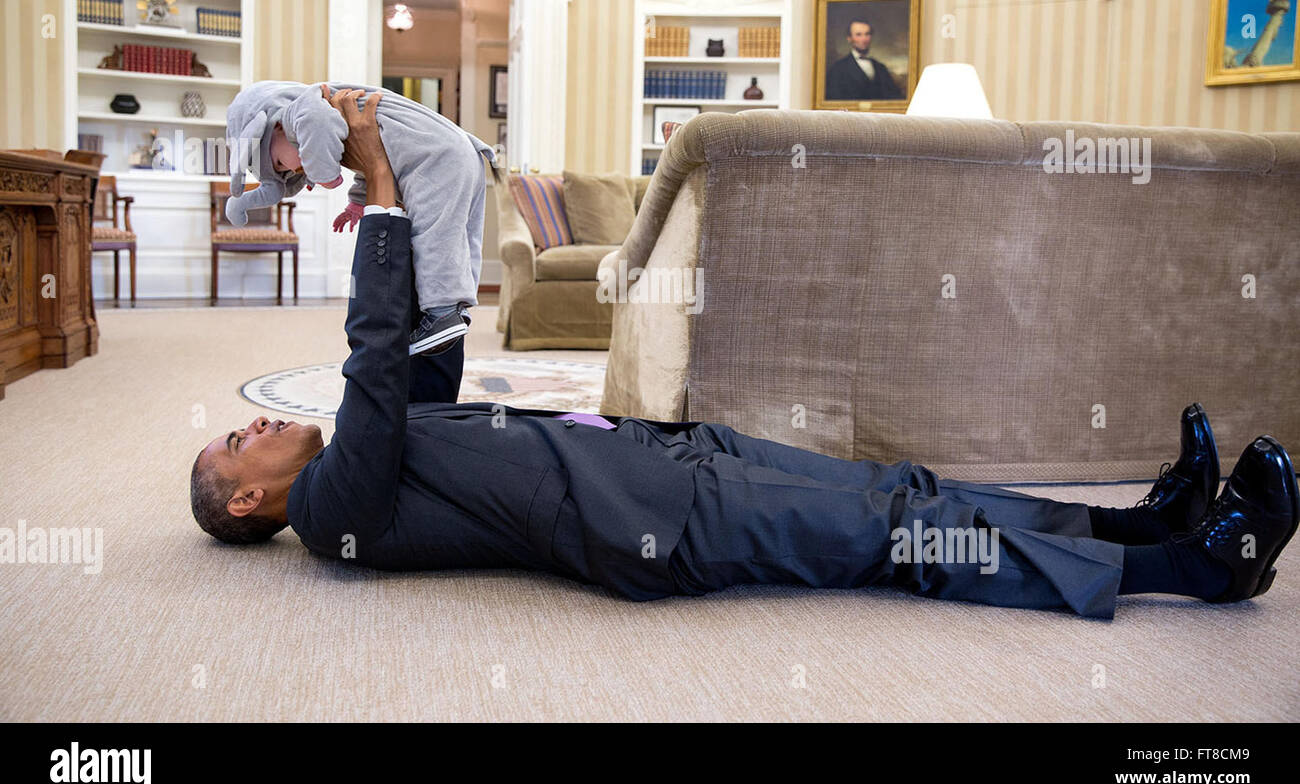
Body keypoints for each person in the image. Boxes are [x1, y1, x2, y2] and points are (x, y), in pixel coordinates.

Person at [189, 94, 1299, 620]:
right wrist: (375, 183)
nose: (254, 427)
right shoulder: (339, 512)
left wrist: (396, 199)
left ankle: (1134, 522)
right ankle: (1192, 567)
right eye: (235, 445)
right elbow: (377, 360)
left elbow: (425, 331)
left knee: (903, 487)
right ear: (248, 505)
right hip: (660, 523)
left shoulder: (367, 465)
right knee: (898, 536)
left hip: (667, 460)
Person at [223, 81, 495, 355]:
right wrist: (356, 203)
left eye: (280, 164)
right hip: (456, 151)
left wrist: (325, 174)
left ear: (275, 127)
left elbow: (318, 123)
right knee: (460, 234)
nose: (292, 169)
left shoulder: (304, 110)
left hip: (435, 159)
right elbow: (382, 151)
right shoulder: (343, 116)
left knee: (433, 235)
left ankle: (443, 311)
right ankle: (458, 309)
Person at [825, 20, 904, 100]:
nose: (864, 39)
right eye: (858, 35)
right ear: (849, 38)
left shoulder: (880, 68)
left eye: (867, 34)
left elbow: (893, 97)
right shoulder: (838, 69)